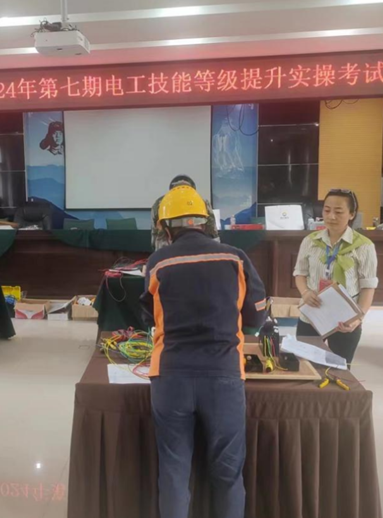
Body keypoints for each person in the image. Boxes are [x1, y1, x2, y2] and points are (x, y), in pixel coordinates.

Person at [140, 184, 267, 518]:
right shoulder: (236, 258)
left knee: (173, 473)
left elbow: (148, 315)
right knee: (228, 475)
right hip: (224, 376)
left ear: (165, 228)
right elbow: (256, 317)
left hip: (170, 377)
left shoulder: (157, 262)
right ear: (205, 222)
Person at [293, 189, 378, 364]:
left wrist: (358, 318)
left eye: (338, 212)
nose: (331, 216)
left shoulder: (364, 246)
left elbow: (368, 286)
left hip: (344, 318)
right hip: (312, 314)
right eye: (327, 210)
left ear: (352, 214)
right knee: (306, 366)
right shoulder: (310, 241)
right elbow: (300, 273)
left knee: (339, 368)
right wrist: (305, 292)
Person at [151, 174, 218, 250]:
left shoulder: (160, 203)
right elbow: (213, 231)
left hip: (167, 248)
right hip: (200, 245)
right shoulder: (202, 201)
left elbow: (155, 235)